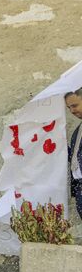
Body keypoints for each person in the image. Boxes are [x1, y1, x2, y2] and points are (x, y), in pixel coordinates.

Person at [65, 89, 82, 218]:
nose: (72, 111)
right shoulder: (77, 131)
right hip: (79, 189)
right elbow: (76, 157)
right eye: (69, 107)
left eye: (74, 105)